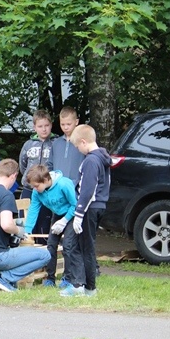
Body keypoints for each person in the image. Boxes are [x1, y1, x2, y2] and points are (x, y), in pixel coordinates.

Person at [0, 158, 51, 292]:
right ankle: (4, 278)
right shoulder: (6, 196)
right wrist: (19, 230)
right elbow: (6, 225)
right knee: (45, 255)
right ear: (14, 176)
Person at [61, 124, 111, 297]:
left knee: (84, 247)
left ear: (83, 142)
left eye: (77, 146)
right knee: (79, 245)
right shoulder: (102, 157)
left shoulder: (90, 161)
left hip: (89, 208)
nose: (78, 150)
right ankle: (82, 284)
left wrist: (79, 214)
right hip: (98, 206)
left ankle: (87, 287)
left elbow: (88, 190)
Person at [23, 165, 80, 289]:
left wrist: (65, 220)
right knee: (51, 245)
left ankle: (68, 278)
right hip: (57, 215)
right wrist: (27, 230)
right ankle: (50, 279)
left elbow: (75, 205)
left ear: (45, 180)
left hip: (72, 215)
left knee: (68, 245)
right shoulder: (37, 192)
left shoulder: (64, 184)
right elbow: (33, 209)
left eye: (36, 186)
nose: (35, 189)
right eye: (33, 187)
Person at [19, 109, 55, 241]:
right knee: (26, 219)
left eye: (46, 125)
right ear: (34, 127)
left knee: (44, 222)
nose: (44, 129)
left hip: (47, 190)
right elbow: (22, 164)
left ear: (51, 125)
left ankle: (43, 247)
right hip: (29, 188)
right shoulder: (28, 144)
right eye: (40, 126)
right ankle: (26, 246)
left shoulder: (56, 143)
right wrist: (30, 179)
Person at [52, 106, 85, 188]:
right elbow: (50, 165)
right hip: (57, 187)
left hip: (77, 187)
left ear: (76, 122)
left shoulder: (83, 142)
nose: (65, 127)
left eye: (69, 124)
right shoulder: (56, 143)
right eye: (62, 124)